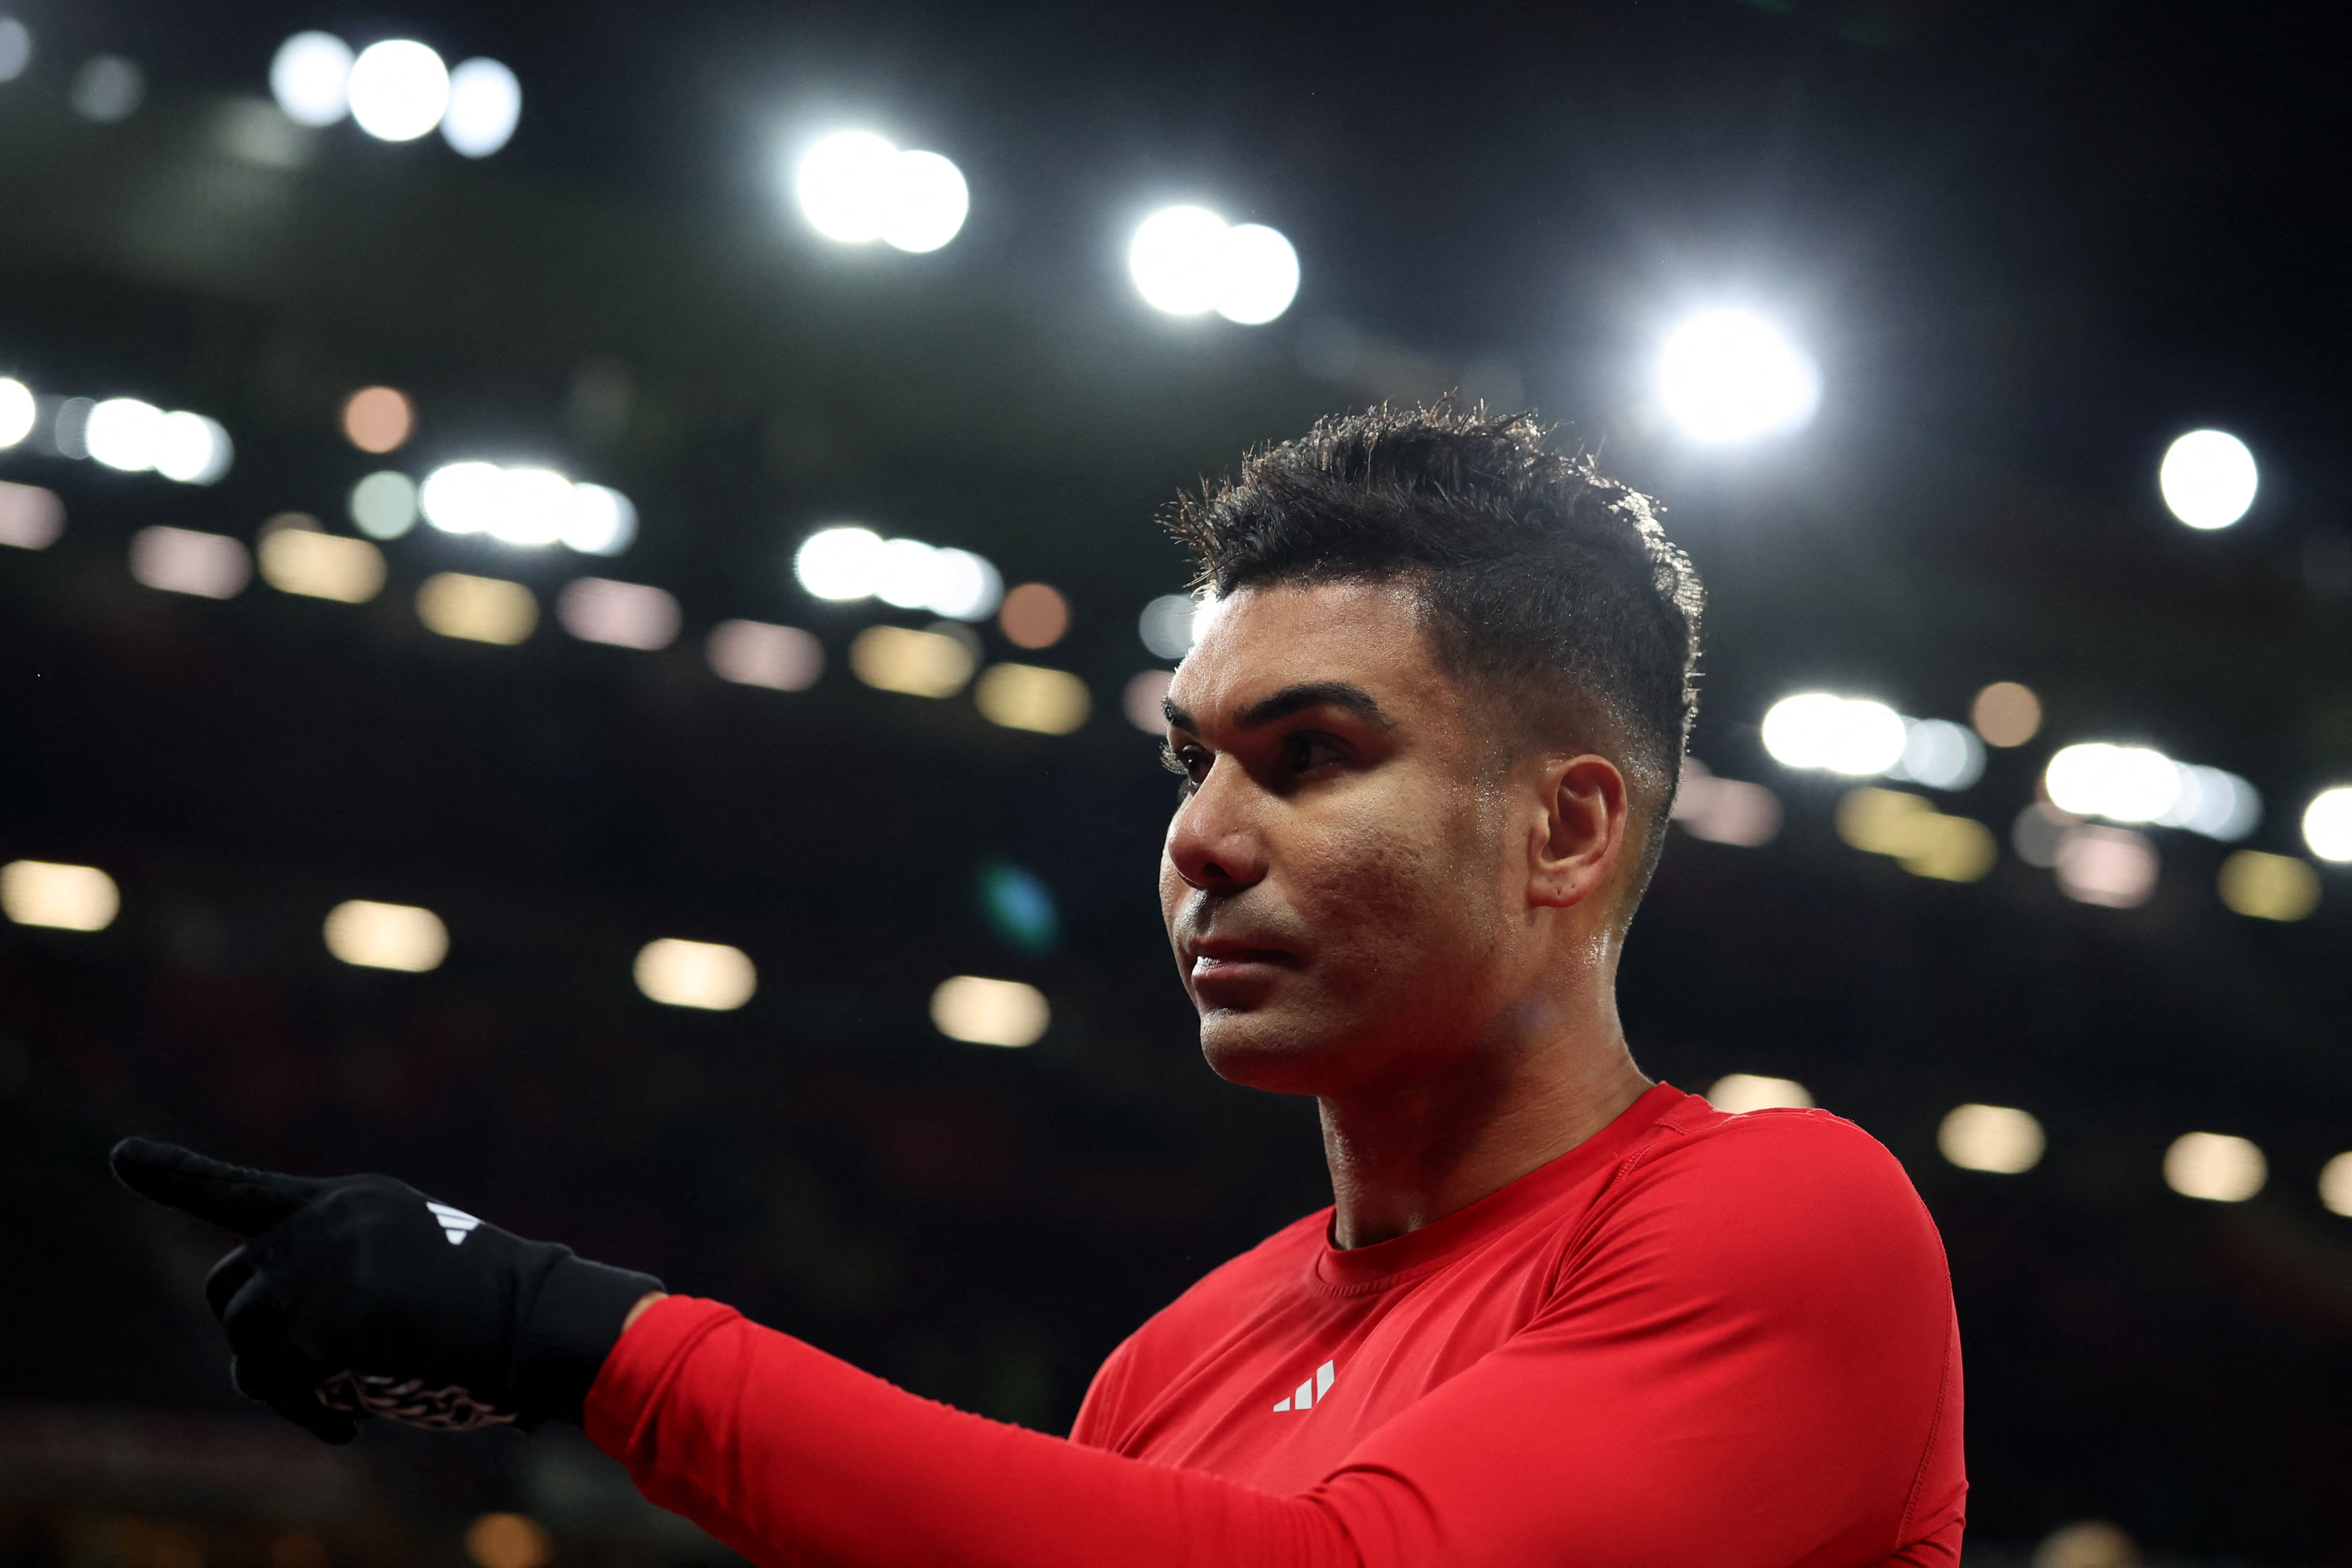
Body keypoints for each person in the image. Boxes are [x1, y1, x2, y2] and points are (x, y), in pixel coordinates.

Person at [114, 404, 1964, 1568]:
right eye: (1191, 766)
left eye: (1311, 756)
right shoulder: (1164, 1373)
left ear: (1565, 831)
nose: (1205, 841)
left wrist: (589, 1341)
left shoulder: (1787, 1217)